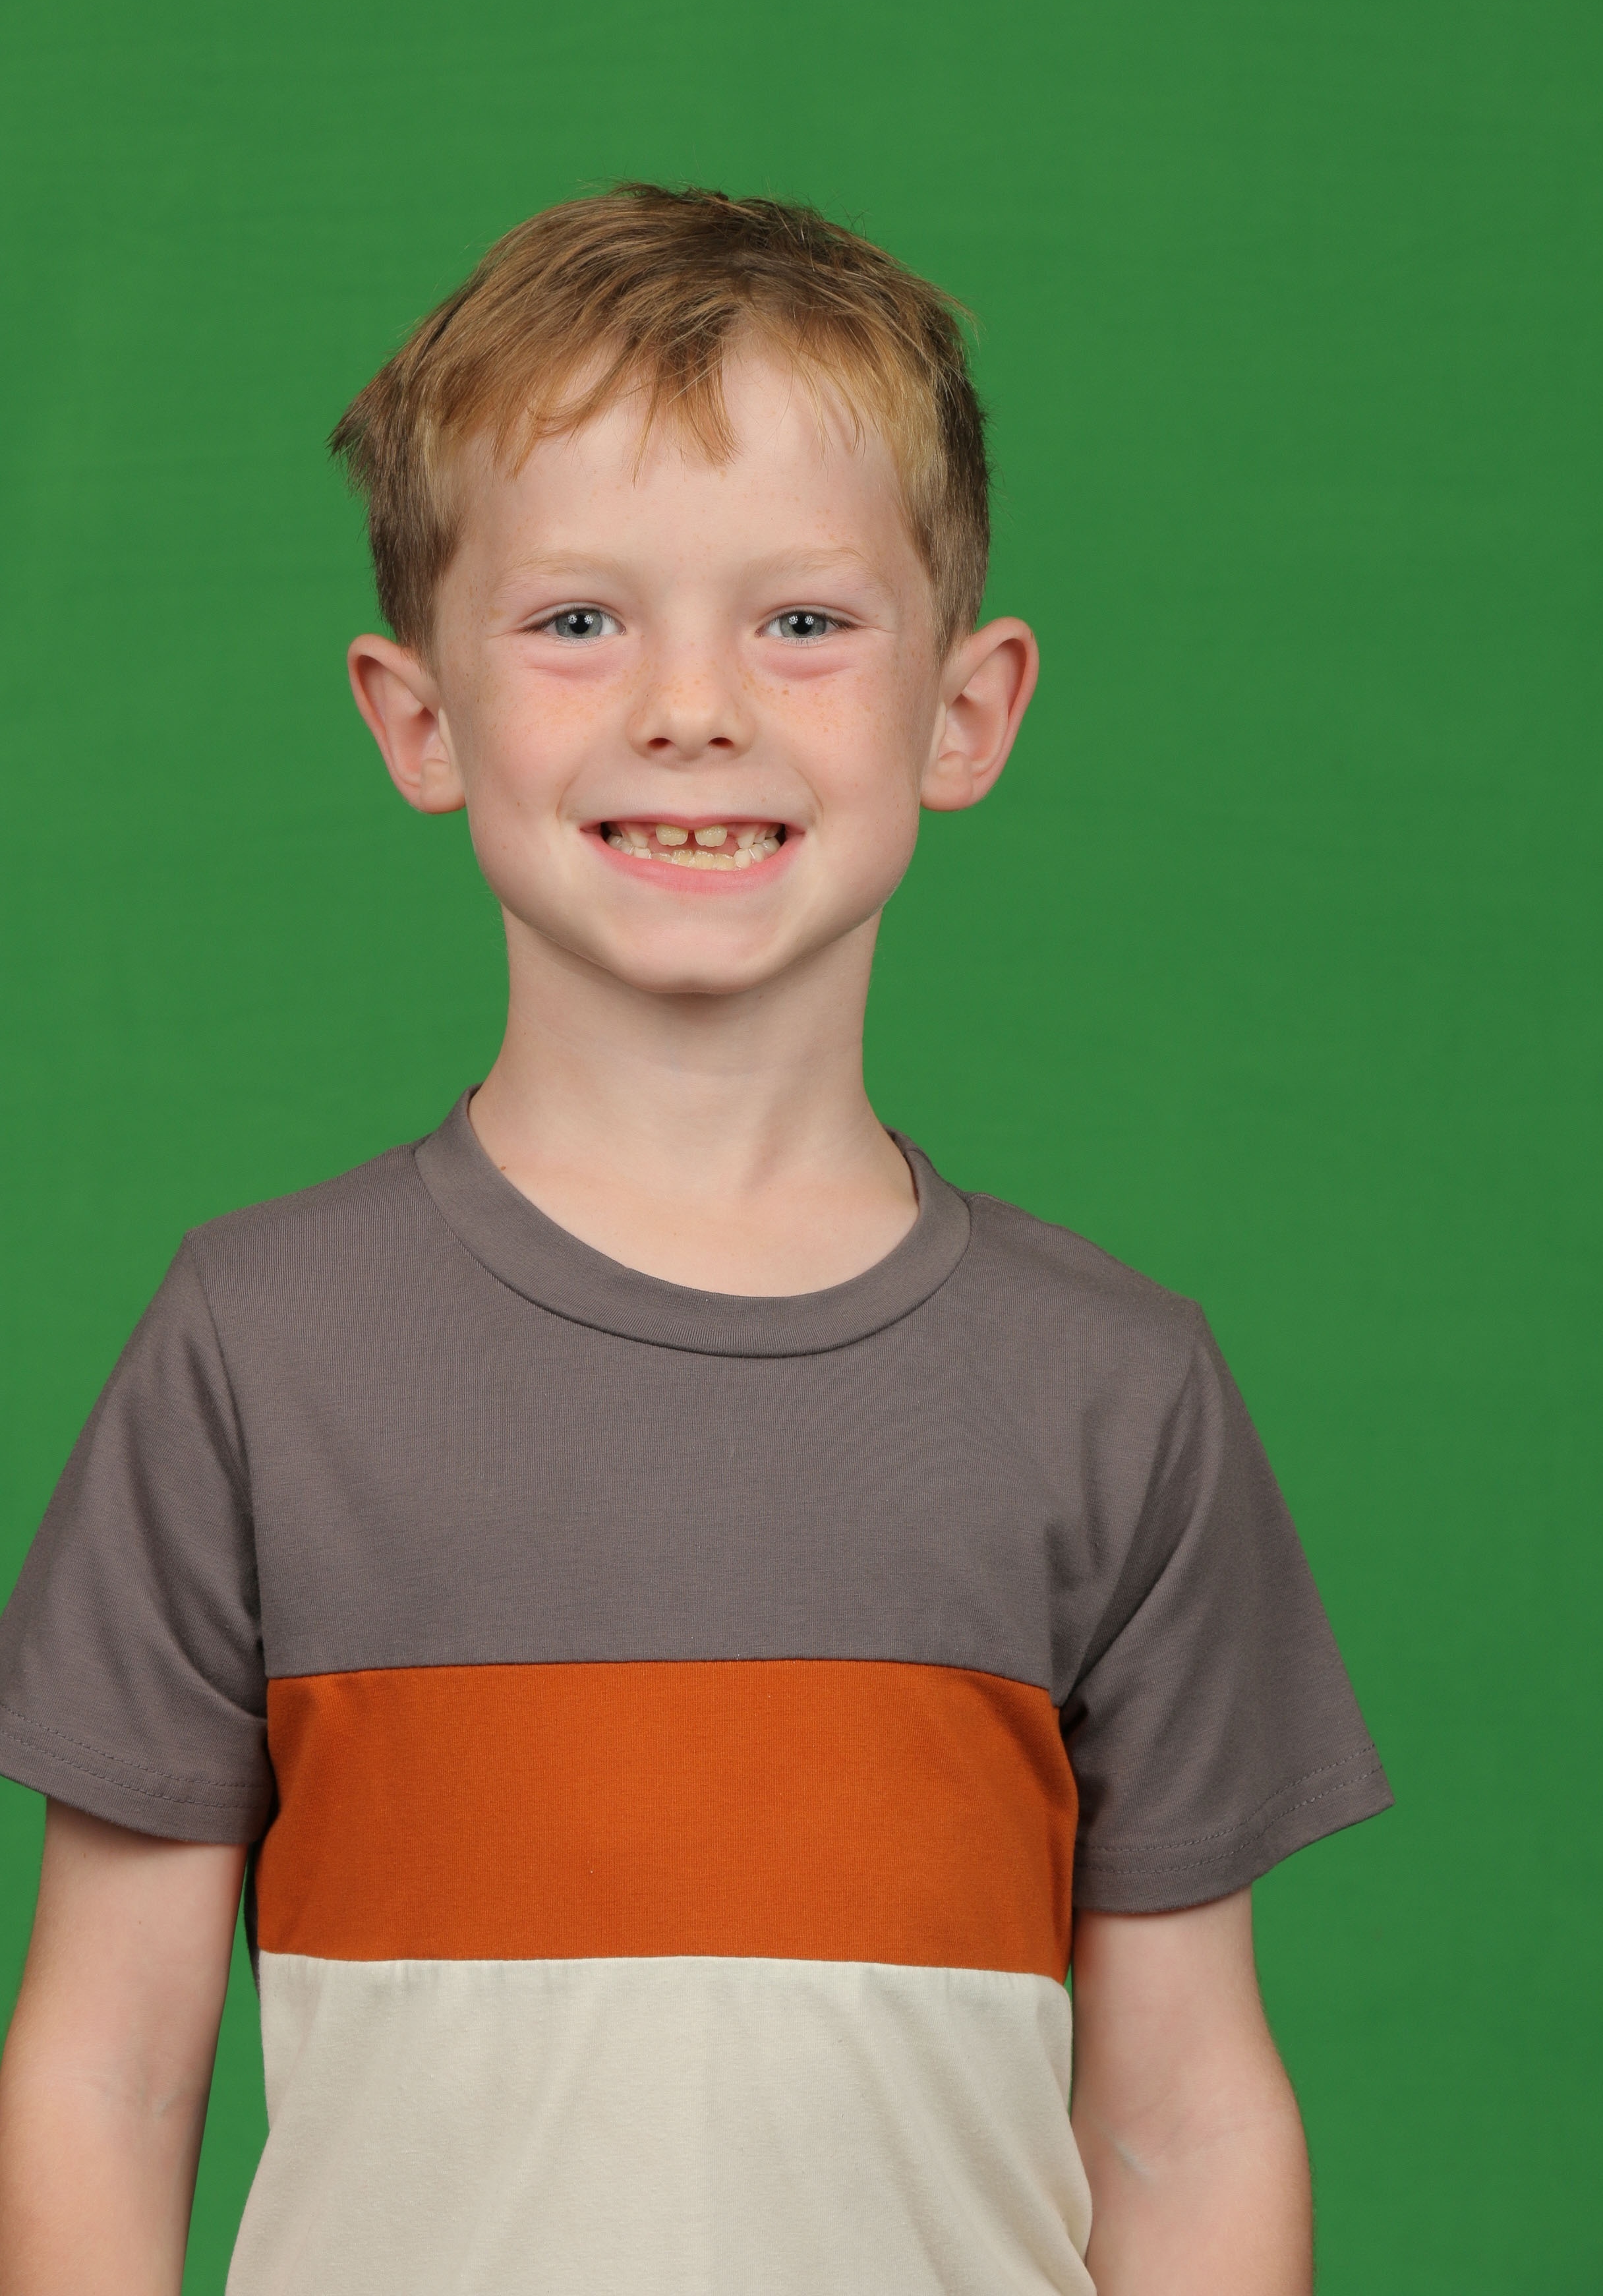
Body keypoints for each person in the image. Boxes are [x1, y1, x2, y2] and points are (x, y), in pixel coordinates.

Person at [0, 185, 1390, 2296]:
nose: (691, 706)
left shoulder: (1116, 1392)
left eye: (802, 623)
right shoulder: (257, 1348)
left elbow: (1185, 2117)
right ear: (417, 716)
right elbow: (105, 2070)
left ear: (967, 709)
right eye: (578, 622)